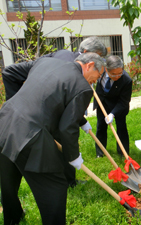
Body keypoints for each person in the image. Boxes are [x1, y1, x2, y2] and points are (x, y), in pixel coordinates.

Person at [0, 53, 105, 224]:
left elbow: (53, 95)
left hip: (4, 121)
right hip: (29, 134)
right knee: (55, 186)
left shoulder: (45, 62)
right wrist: (74, 157)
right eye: (98, 76)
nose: (96, 81)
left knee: (8, 178)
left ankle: (12, 219)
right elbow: (67, 128)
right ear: (90, 65)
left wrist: (82, 121)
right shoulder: (83, 87)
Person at [2, 36, 107, 188]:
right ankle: (66, 182)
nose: (100, 62)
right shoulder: (69, 68)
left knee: (8, 174)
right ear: (86, 55)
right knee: (61, 146)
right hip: (32, 125)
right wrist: (17, 102)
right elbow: (10, 72)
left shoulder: (61, 56)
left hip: (8, 119)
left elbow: (65, 102)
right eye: (98, 57)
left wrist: (82, 121)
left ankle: (68, 181)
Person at [94, 55, 132, 157]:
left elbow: (124, 101)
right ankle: (100, 152)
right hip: (102, 102)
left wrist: (112, 114)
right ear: (106, 69)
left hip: (118, 105)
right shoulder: (100, 71)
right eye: (113, 74)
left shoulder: (127, 80)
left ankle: (123, 152)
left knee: (121, 127)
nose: (117, 76)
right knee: (101, 127)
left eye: (120, 73)